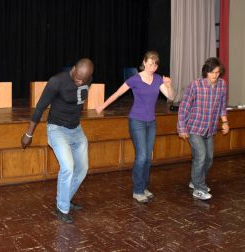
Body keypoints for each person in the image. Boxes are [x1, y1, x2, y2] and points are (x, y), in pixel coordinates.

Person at [21, 58, 94, 224]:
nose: (80, 81)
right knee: (68, 167)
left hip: (76, 129)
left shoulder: (87, 79)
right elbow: (40, 107)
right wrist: (29, 134)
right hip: (57, 129)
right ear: (74, 68)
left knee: (82, 169)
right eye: (77, 77)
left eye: (83, 79)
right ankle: (62, 208)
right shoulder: (57, 81)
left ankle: (65, 198)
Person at [96, 51, 174, 203]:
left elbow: (171, 97)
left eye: (155, 64)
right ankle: (137, 190)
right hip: (136, 121)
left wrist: (169, 86)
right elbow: (118, 93)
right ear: (144, 62)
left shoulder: (158, 79)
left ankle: (144, 187)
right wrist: (102, 106)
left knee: (148, 158)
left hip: (151, 122)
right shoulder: (135, 79)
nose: (153, 67)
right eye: (150, 63)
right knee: (142, 155)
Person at [177, 57, 229, 201]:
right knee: (201, 156)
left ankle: (195, 181)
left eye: (217, 72)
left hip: (210, 129)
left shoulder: (222, 85)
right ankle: (199, 189)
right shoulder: (195, 85)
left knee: (209, 159)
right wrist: (182, 128)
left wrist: (225, 122)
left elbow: (222, 106)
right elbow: (184, 106)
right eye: (212, 72)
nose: (215, 75)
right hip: (194, 127)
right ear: (206, 72)